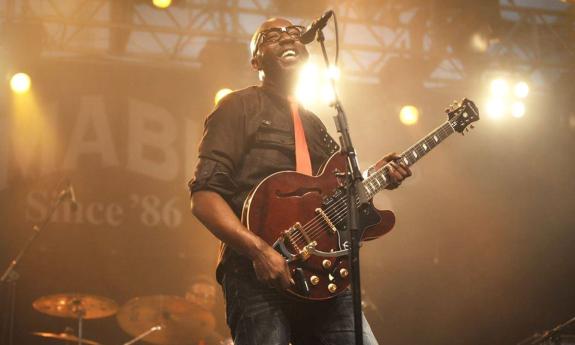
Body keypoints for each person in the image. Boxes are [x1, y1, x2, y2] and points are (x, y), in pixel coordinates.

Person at [188, 17, 412, 345]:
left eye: (294, 34)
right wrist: (260, 252)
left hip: (325, 274)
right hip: (256, 273)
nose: (288, 39)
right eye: (273, 36)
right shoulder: (238, 106)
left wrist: (376, 175)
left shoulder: (317, 124)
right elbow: (203, 197)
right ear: (255, 60)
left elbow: (336, 196)